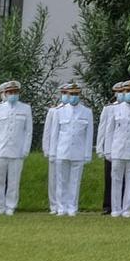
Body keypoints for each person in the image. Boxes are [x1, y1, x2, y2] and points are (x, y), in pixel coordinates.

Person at [97, 80, 130, 218]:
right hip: (117, 149)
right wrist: (107, 150)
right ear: (122, 92)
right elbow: (109, 131)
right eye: (127, 91)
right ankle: (115, 208)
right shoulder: (115, 109)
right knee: (116, 179)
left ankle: (127, 208)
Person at [0, 80, 33, 216]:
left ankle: (11, 206)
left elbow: (28, 131)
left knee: (14, 181)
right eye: (10, 92)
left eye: (15, 92)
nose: (13, 95)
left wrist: (25, 149)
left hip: (17, 150)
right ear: (4, 94)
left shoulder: (25, 108)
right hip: (0, 149)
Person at [42, 82, 94, 217]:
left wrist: (87, 154)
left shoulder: (87, 112)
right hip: (62, 150)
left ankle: (72, 207)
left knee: (75, 181)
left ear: (79, 95)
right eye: (71, 94)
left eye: (76, 94)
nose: (73, 97)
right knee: (61, 181)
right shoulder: (59, 111)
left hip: (78, 151)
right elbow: (54, 134)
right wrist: (52, 152)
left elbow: (89, 135)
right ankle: (61, 207)